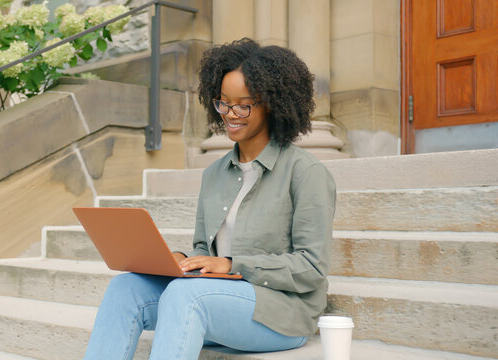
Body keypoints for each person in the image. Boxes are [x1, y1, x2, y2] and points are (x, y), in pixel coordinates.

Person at [83, 38, 336, 360]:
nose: (231, 114)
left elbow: (311, 267)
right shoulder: (215, 173)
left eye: (243, 104)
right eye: (223, 103)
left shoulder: (305, 172)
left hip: (281, 312)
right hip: (216, 296)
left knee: (185, 295)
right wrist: (179, 259)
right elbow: (206, 250)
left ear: (272, 104)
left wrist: (232, 264)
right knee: (125, 288)